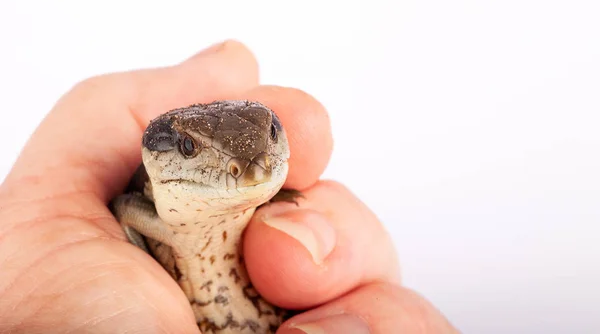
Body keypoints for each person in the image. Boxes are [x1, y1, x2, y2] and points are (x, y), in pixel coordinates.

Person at [0, 41, 459, 333]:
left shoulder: (262, 199)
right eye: (187, 148)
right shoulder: (132, 213)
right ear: (157, 153)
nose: (252, 169)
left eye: (271, 138)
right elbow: (125, 209)